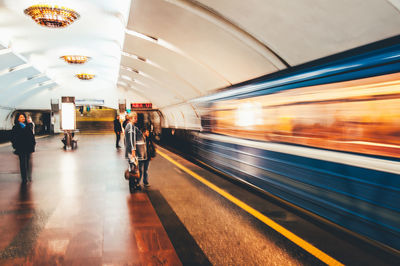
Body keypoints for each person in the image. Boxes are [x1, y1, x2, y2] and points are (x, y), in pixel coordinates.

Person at [11, 113, 36, 183]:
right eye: (21, 117)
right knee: (22, 163)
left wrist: (33, 144)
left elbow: (31, 136)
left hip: (28, 147)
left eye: (23, 117)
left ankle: (29, 176)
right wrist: (15, 145)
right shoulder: (15, 127)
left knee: (28, 162)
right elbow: (13, 138)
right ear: (18, 119)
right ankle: (24, 178)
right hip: (21, 148)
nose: (23, 118)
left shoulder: (27, 126)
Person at [124, 112, 146, 192]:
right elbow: (131, 139)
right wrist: (133, 151)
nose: (136, 119)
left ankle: (134, 185)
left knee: (133, 169)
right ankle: (133, 186)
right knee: (133, 170)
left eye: (136, 117)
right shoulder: (130, 126)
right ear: (130, 118)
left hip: (131, 152)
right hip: (132, 153)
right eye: (134, 118)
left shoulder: (130, 126)